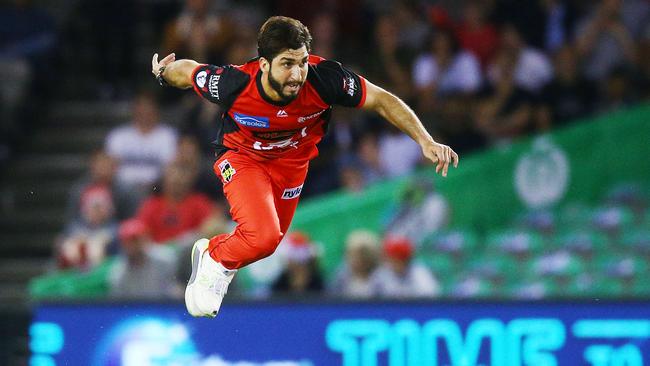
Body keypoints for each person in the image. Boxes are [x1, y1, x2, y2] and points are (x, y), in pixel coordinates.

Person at [151, 16, 459, 318]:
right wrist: (164, 72)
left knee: (269, 243)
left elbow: (382, 99)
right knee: (263, 236)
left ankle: (219, 259)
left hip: (293, 164)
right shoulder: (234, 83)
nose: (297, 74)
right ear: (264, 64)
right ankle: (214, 257)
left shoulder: (325, 79)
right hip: (243, 157)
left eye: (301, 62)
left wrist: (425, 140)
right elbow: (190, 72)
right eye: (287, 63)